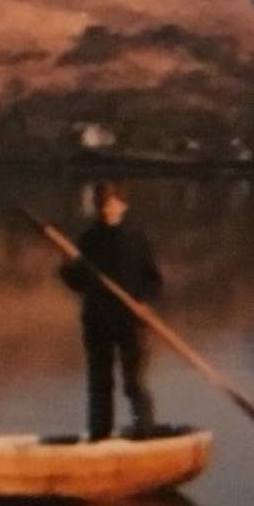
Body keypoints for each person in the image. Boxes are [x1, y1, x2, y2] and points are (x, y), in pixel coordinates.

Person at [59, 184, 163, 441]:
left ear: (122, 206)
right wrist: (67, 266)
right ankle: (99, 435)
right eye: (101, 204)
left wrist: (145, 304)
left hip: (131, 320)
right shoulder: (90, 239)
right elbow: (79, 283)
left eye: (111, 203)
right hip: (98, 320)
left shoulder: (136, 238)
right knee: (99, 384)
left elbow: (154, 279)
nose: (106, 209)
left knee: (134, 383)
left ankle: (144, 432)